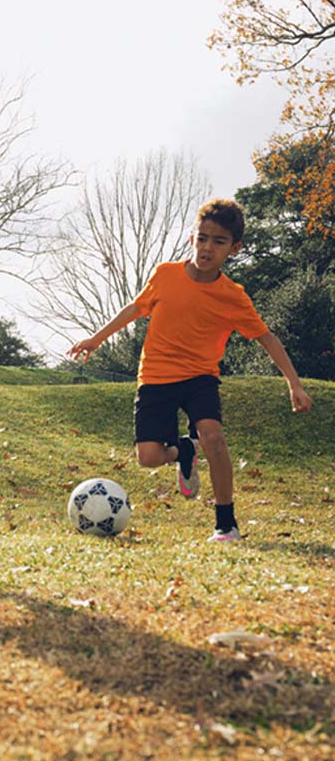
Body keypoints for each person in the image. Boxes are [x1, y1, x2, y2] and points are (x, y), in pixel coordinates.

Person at [68, 197, 312, 541]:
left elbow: (267, 338)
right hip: (155, 376)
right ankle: (184, 450)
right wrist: (96, 339)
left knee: (213, 437)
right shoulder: (166, 275)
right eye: (202, 237)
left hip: (200, 377)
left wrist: (294, 384)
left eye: (218, 241)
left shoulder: (234, 297)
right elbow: (135, 308)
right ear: (191, 238)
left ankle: (226, 523)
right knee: (149, 457)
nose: (207, 247)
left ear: (235, 248)